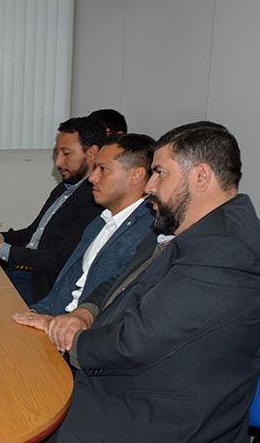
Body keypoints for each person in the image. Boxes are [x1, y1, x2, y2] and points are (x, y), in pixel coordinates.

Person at [3, 122, 260, 443]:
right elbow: (116, 286)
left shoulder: (226, 250)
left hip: (178, 414)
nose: (149, 185)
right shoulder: (188, 225)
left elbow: (136, 343)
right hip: (148, 379)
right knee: (17, 404)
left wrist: (69, 344)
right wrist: (81, 313)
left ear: (201, 176)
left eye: (160, 173)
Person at [13, 133, 156, 321]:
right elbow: (62, 291)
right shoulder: (99, 223)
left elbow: (116, 309)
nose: (92, 178)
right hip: (55, 322)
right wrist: (33, 314)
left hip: (80, 335)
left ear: (136, 175)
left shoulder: (148, 232)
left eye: (103, 169)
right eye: (94, 168)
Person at [0, 116, 106, 304]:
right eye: (57, 153)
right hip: (22, 270)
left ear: (92, 153)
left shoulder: (94, 199)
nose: (58, 162)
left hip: (41, 286)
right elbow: (34, 233)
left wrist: (0, 248)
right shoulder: (65, 188)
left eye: (66, 153)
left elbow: (61, 260)